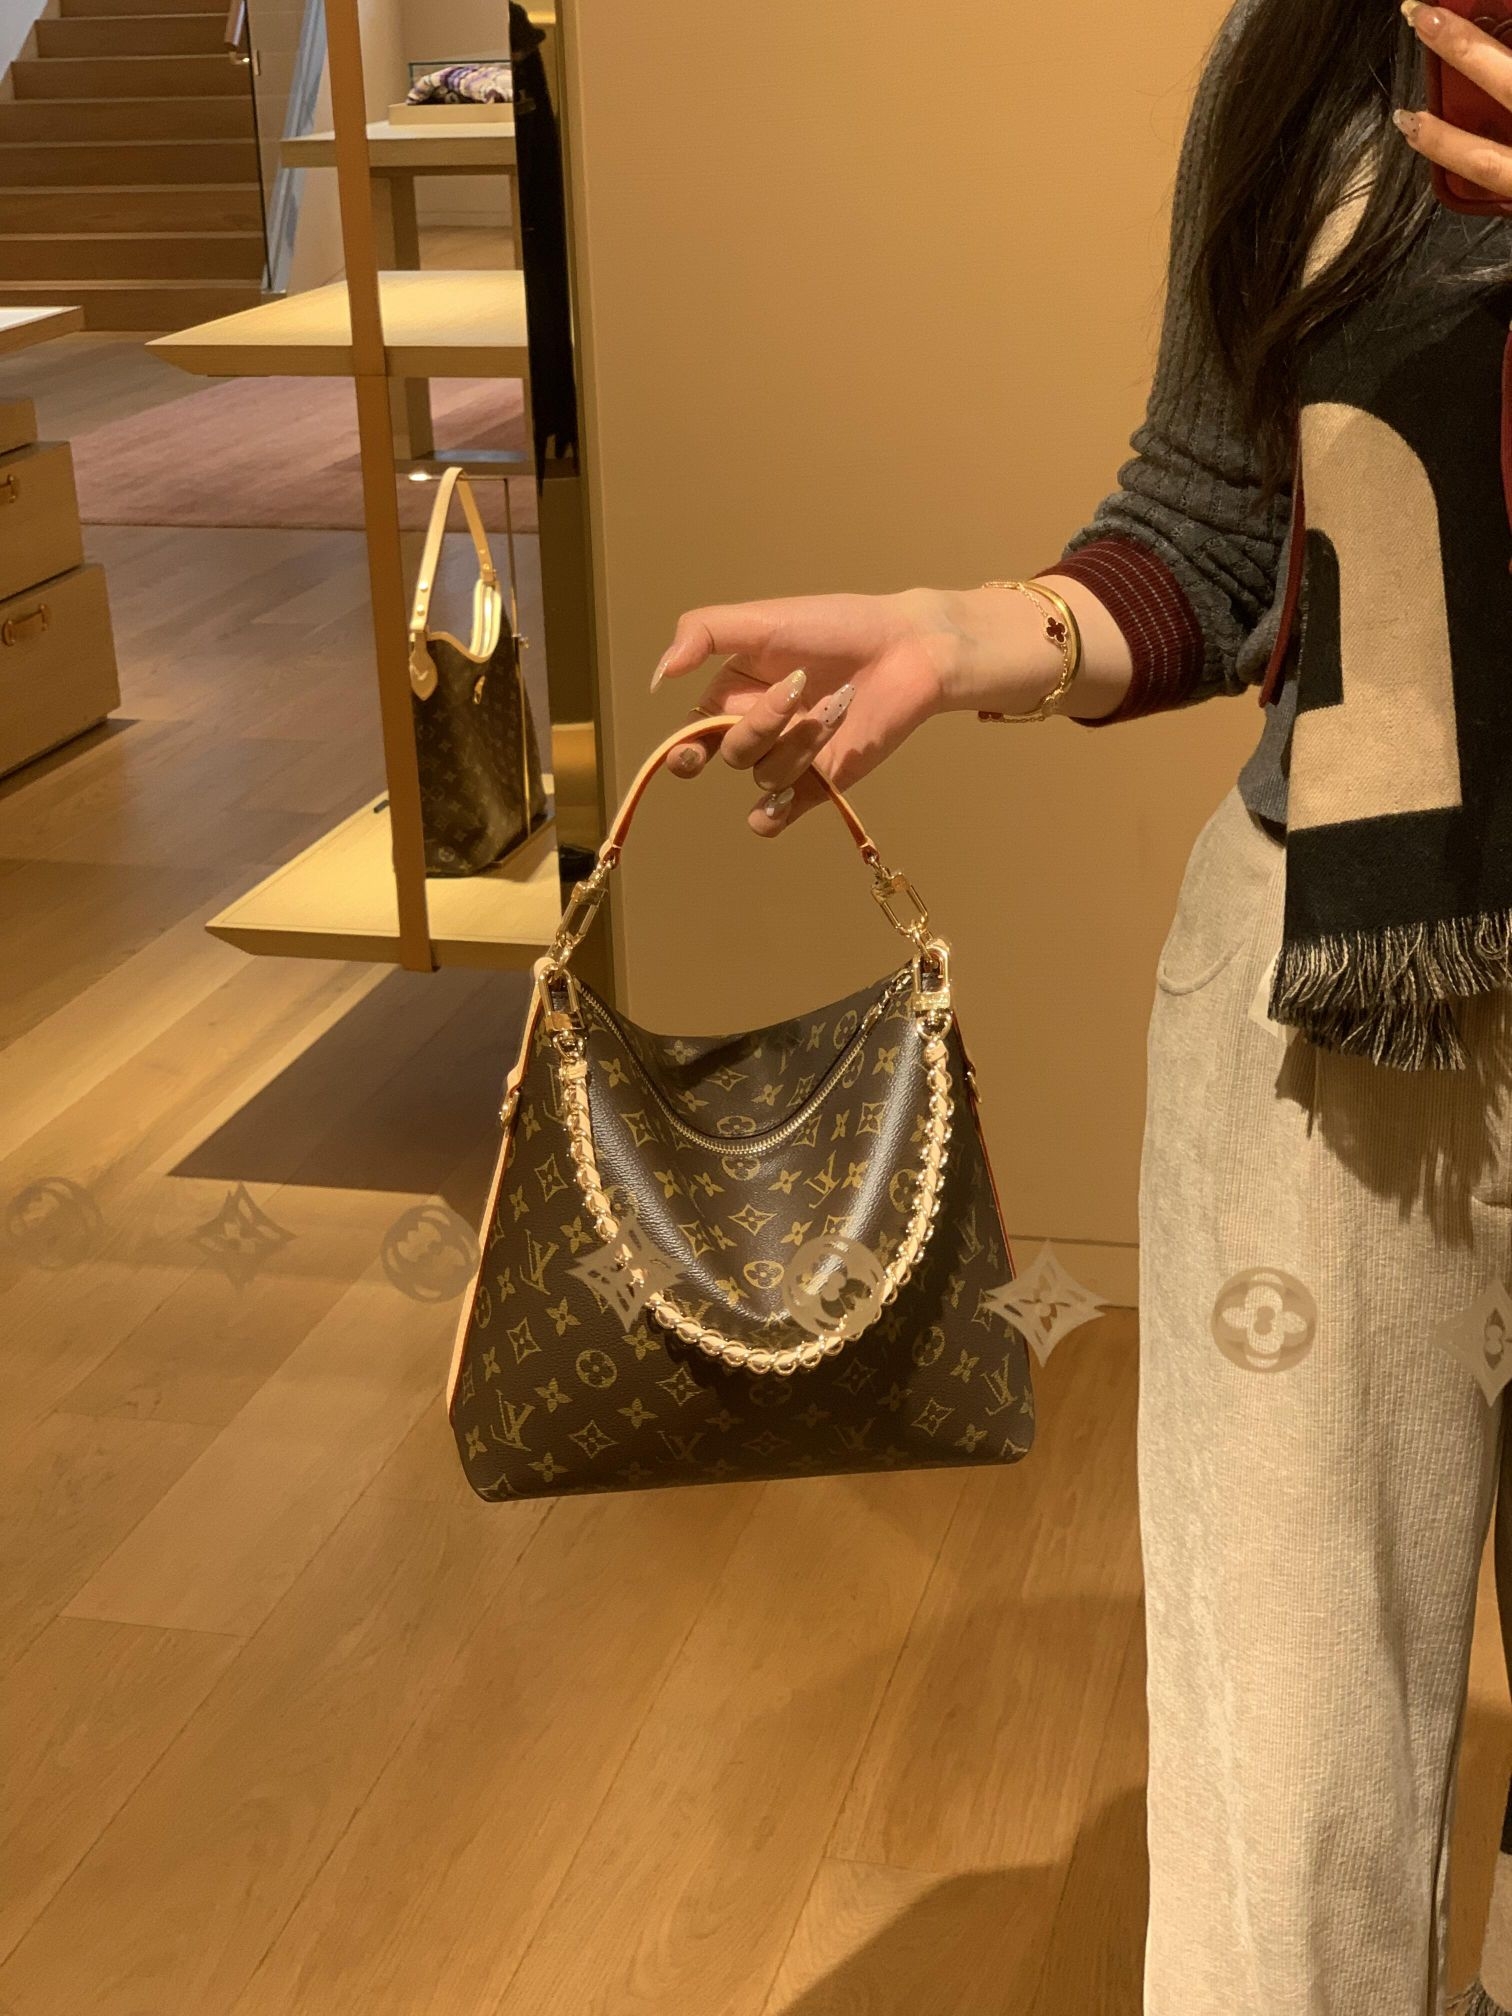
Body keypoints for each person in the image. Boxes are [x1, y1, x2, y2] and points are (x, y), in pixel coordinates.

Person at [651, 3, 1512, 2010]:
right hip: (1329, 1006)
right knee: (1287, 1829)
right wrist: (980, 631)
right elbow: (1216, 528)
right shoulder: (1312, 48)